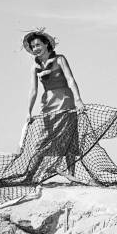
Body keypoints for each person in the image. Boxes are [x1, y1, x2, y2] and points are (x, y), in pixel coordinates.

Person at [23, 28, 84, 180]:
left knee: (69, 138)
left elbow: (70, 79)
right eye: (33, 46)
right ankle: (29, 176)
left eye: (38, 45)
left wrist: (78, 100)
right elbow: (33, 90)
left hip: (65, 100)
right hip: (48, 104)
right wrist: (28, 111)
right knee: (42, 140)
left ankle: (71, 175)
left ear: (46, 44)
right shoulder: (35, 67)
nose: (35, 48)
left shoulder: (60, 59)